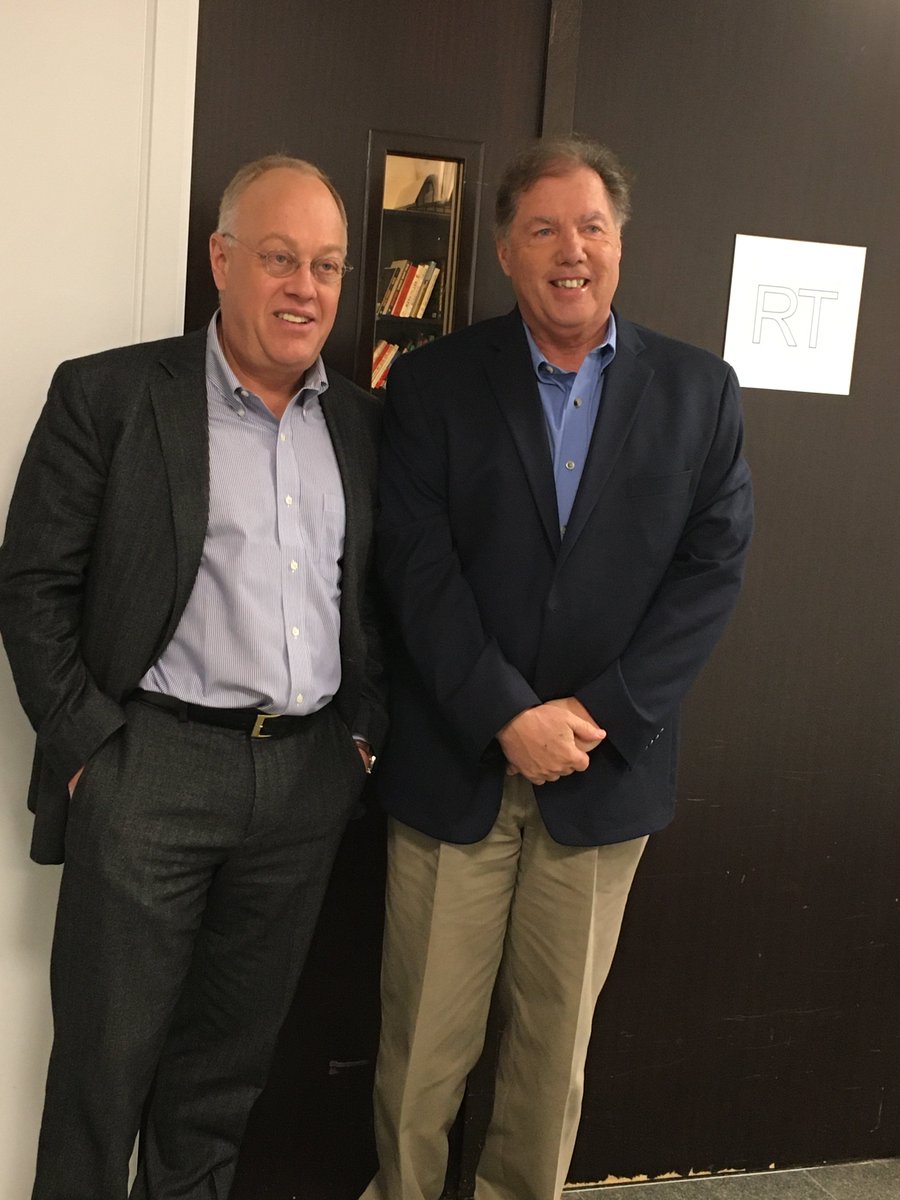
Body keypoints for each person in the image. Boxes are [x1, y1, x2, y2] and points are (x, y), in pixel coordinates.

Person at [362, 135, 753, 1200]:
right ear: (505, 251)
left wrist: (597, 713)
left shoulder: (700, 392)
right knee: (420, 1055)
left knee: (551, 1059)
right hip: (456, 768)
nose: (570, 249)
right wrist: (506, 713)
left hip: (601, 774)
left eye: (591, 227)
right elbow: (415, 566)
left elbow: (711, 572)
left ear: (620, 243)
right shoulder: (434, 382)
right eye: (543, 229)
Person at [0, 154, 386, 1200]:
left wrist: (359, 739)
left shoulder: (360, 424)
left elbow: (377, 600)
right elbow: (32, 584)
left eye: (327, 266)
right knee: (103, 1074)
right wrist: (92, 751)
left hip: (303, 783)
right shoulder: (112, 396)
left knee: (222, 1080)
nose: (305, 288)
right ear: (221, 260)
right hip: (151, 772)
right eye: (279, 258)